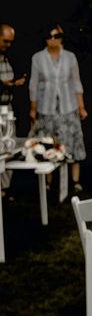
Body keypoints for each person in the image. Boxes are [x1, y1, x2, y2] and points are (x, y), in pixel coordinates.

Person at [28, 24, 87, 192]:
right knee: (49, 142)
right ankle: (47, 183)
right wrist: (33, 108)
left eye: (57, 36)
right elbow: (33, 84)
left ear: (62, 38)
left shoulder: (70, 57)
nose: (53, 40)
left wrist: (81, 107)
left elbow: (76, 82)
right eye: (50, 36)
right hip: (47, 108)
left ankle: (75, 181)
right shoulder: (38, 58)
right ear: (45, 38)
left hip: (68, 106)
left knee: (72, 142)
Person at [0, 24, 25, 193]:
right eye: (5, 41)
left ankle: (5, 189)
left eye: (10, 42)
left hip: (7, 108)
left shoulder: (6, 58)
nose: (8, 45)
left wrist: (15, 83)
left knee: (10, 147)